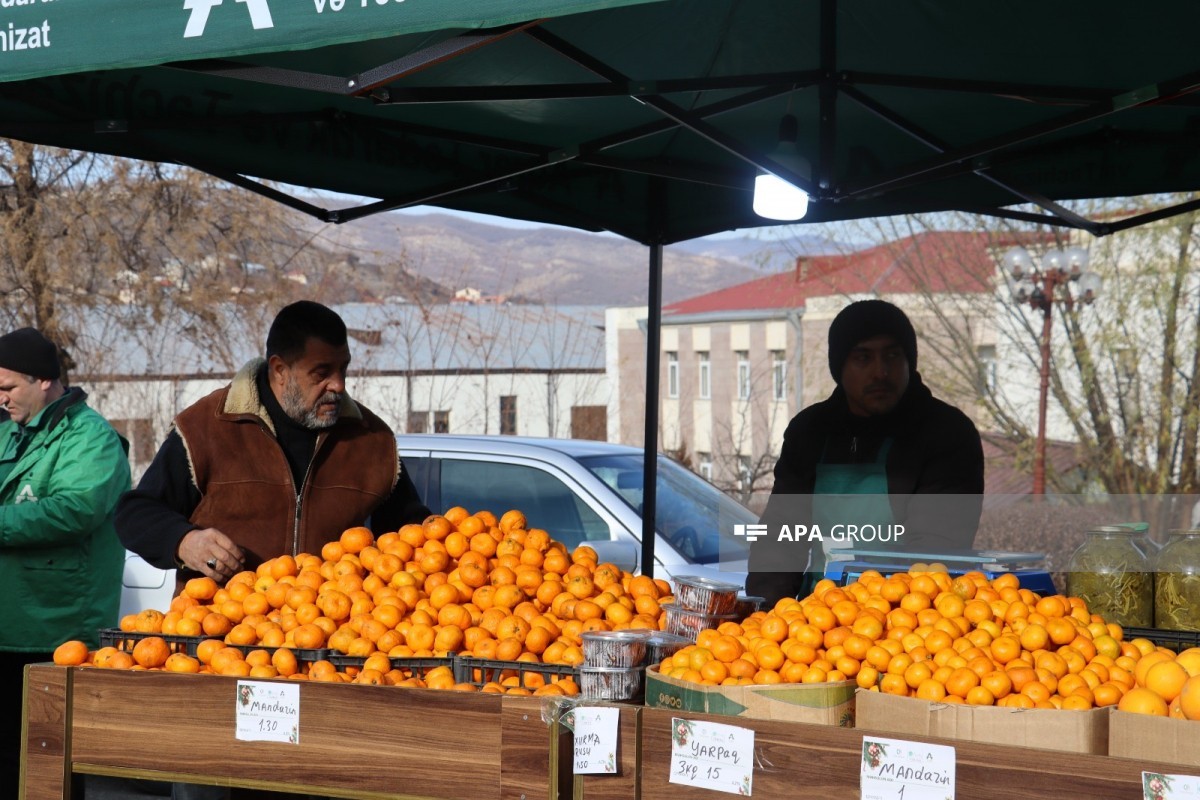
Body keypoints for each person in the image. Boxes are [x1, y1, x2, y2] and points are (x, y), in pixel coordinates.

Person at [117, 300, 431, 589]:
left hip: (329, 640)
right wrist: (184, 541)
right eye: (321, 373)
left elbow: (412, 532)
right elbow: (135, 513)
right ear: (280, 370)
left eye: (343, 369)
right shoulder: (206, 427)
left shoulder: (371, 440)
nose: (338, 384)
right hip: (220, 638)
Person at [745, 299, 985, 605]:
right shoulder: (810, 431)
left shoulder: (947, 433)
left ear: (909, 362)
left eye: (892, 356)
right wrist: (764, 615)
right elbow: (780, 538)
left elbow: (937, 550)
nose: (880, 372)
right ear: (839, 367)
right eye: (863, 358)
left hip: (908, 624)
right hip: (815, 621)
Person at [0, 327, 130, 798]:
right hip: (9, 622)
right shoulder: (8, 433)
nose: (1, 399)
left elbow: (75, 510)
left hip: (54, 630)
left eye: (9, 388)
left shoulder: (91, 438)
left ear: (44, 381)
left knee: (47, 766)